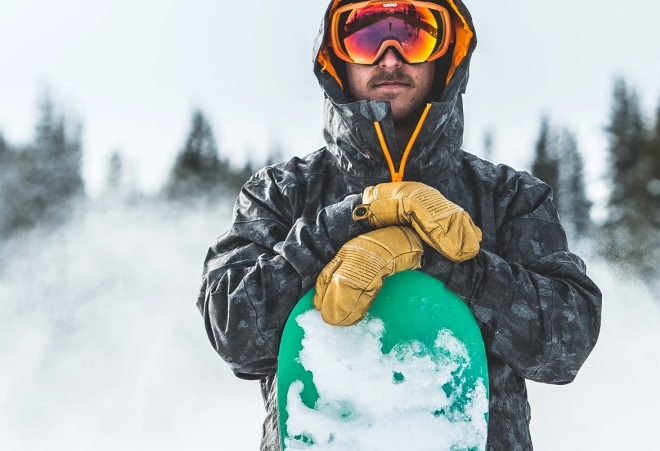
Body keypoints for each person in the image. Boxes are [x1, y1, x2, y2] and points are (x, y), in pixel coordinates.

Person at [197, 1, 602, 450]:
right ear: (336, 58)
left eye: (413, 34)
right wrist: (352, 220)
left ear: (446, 54)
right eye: (366, 37)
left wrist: (440, 260)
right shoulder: (281, 193)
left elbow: (567, 345)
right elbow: (232, 331)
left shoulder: (507, 197)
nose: (390, 57)